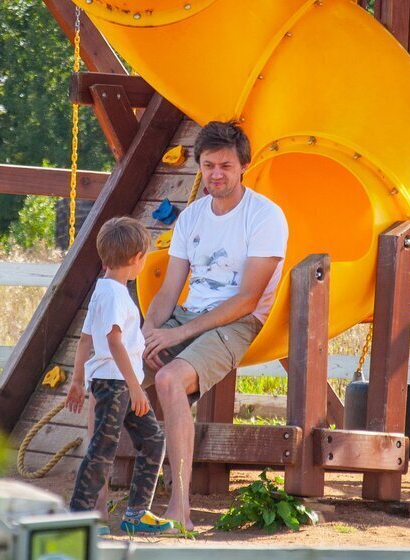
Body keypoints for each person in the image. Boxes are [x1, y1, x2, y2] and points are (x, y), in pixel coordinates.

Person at [142, 121, 289, 530]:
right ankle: (95, 506)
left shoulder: (265, 217)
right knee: (110, 375)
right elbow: (170, 291)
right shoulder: (191, 216)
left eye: (225, 165)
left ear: (244, 165)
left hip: (238, 322)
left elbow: (246, 300)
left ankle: (180, 509)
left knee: (170, 380)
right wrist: (146, 333)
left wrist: (177, 334)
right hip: (187, 317)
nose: (216, 174)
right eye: (208, 166)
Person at [66, 216, 173, 534]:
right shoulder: (113, 295)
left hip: (117, 384)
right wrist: (135, 387)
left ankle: (136, 513)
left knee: (153, 441)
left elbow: (85, 338)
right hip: (116, 385)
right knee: (102, 449)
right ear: (138, 259)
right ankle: (78, 518)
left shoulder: (104, 290)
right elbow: (112, 340)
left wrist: (76, 380)